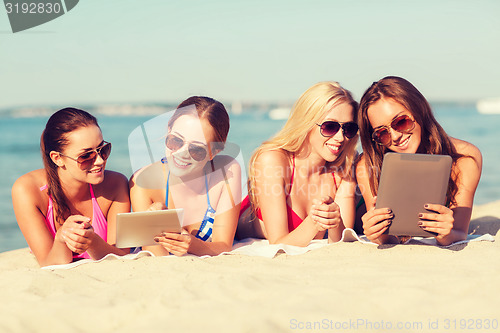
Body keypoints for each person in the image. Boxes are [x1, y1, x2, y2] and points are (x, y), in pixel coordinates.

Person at [356, 76, 482, 245]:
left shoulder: (464, 159)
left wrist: (446, 234)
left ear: (419, 109)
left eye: (401, 122)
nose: (395, 137)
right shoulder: (367, 165)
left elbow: (459, 231)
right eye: (382, 133)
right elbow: (388, 237)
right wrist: (379, 234)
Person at [239, 82, 359, 246]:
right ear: (307, 123)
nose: (340, 137)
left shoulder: (343, 169)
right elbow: (279, 242)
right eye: (330, 126)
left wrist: (334, 223)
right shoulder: (272, 161)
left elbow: (341, 242)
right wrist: (314, 221)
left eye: (349, 128)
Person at [12, 108, 131, 267]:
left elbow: (122, 256)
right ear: (57, 158)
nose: (100, 161)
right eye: (86, 156)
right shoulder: (27, 190)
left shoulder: (116, 185)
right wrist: (62, 239)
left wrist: (92, 241)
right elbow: (48, 263)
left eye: (103, 149)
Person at [129, 96, 241, 256]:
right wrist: (158, 224)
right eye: (175, 141)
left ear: (214, 152)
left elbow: (224, 246)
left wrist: (192, 245)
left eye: (196, 149)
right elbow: (157, 256)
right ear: (168, 131)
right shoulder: (142, 182)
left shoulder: (226, 171)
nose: (182, 154)